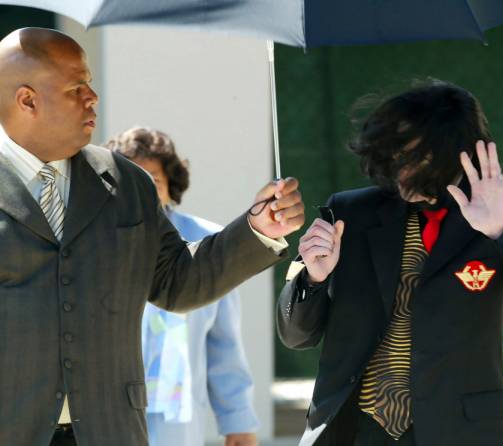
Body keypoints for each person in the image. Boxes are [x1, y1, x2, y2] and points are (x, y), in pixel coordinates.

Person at [0, 27, 304, 446]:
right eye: (76, 88)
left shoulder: (128, 183)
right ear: (27, 100)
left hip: (111, 431)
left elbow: (179, 282)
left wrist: (257, 230)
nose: (92, 97)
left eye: (91, 83)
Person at [277, 80, 503, 446]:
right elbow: (296, 336)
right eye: (396, 155)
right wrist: (312, 279)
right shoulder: (349, 212)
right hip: (353, 430)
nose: (403, 172)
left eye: (420, 160)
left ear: (459, 155)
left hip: (460, 431)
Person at [106, 127, 259, 446]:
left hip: (177, 420)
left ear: (170, 185)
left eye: (152, 180)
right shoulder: (96, 245)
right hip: (109, 413)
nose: (142, 191)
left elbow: (224, 345)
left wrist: (238, 421)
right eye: (131, 182)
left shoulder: (208, 242)